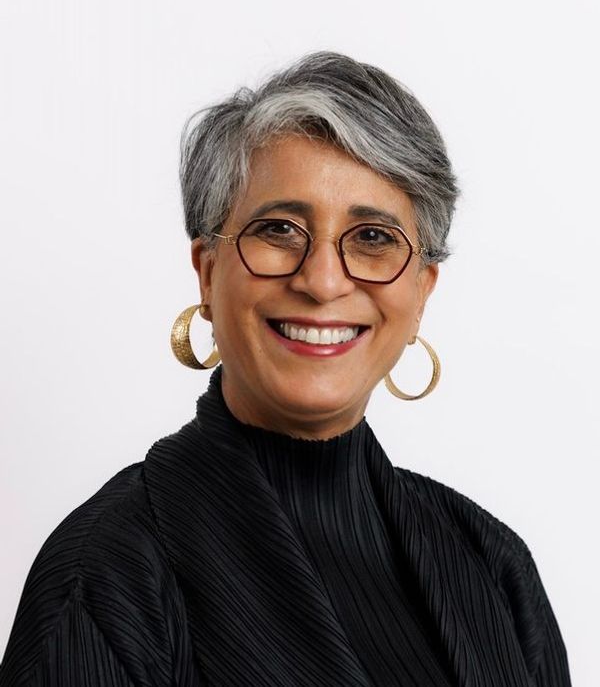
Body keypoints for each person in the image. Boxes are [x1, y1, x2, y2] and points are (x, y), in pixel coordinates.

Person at [0, 52, 571, 686]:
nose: (322, 282)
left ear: (421, 292)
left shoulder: (492, 564)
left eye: (373, 238)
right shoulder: (105, 575)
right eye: (279, 230)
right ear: (208, 273)